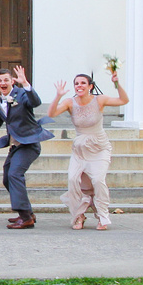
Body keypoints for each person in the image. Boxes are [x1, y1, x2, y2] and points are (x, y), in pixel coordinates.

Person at [47, 71, 130, 231]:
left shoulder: (100, 100)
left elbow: (124, 100)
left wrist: (117, 83)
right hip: (80, 150)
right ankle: (79, 215)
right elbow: (51, 114)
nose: (79, 86)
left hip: (99, 147)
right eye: (77, 83)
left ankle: (102, 215)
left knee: (98, 181)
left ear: (90, 86)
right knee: (73, 180)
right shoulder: (70, 102)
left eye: (83, 83)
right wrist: (58, 96)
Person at [0, 66, 54, 229]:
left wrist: (25, 83)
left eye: (6, 80)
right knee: (7, 178)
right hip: (15, 144)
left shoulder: (22, 94)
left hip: (29, 143)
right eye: (0, 80)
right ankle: (27, 213)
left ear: (12, 81)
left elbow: (35, 102)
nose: (3, 83)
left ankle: (25, 218)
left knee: (15, 174)